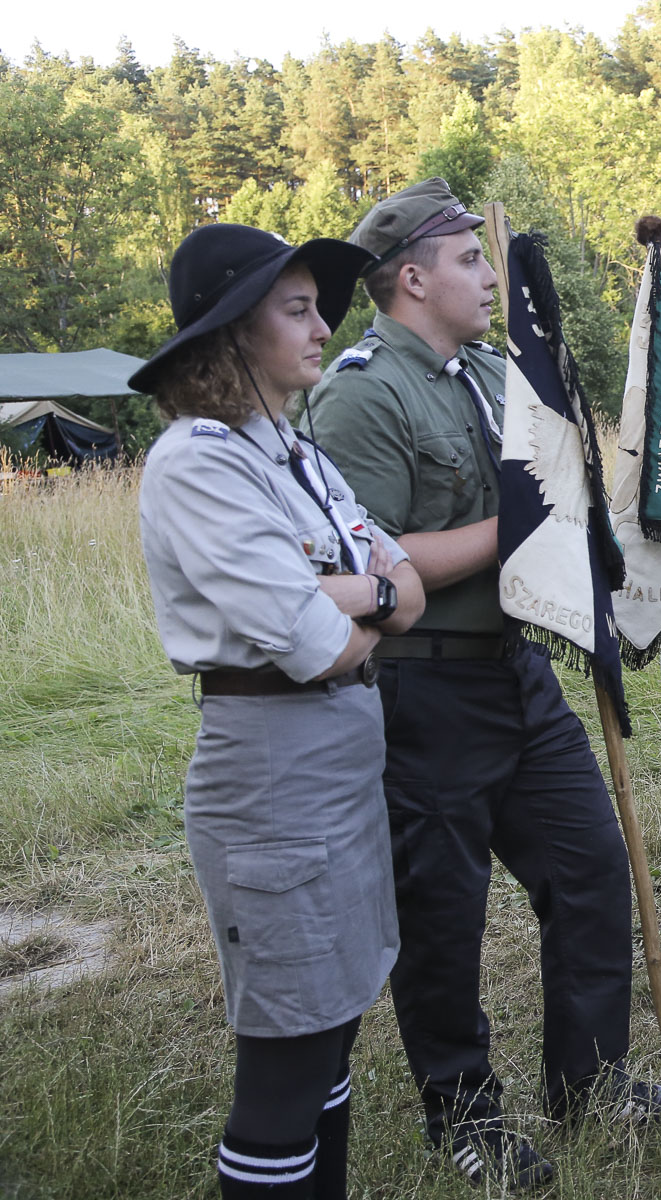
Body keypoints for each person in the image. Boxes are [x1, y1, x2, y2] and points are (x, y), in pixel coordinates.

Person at [308, 179, 661, 1188]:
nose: (487, 275)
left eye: (487, 257)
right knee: (445, 917)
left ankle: (589, 1082)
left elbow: (552, 480)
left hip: (518, 672)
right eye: (468, 258)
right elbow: (376, 565)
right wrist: (526, 525)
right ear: (412, 277)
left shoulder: (492, 371)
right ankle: (464, 1116)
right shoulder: (362, 394)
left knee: (591, 869)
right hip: (425, 691)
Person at [133, 222, 428, 1198]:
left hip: (338, 757)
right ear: (232, 334)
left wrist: (356, 593)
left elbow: (408, 588)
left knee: (331, 1030)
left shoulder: (295, 452)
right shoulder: (197, 462)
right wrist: (369, 594)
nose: (323, 327)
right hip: (272, 769)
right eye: (297, 310)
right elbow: (318, 644)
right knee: (287, 1058)